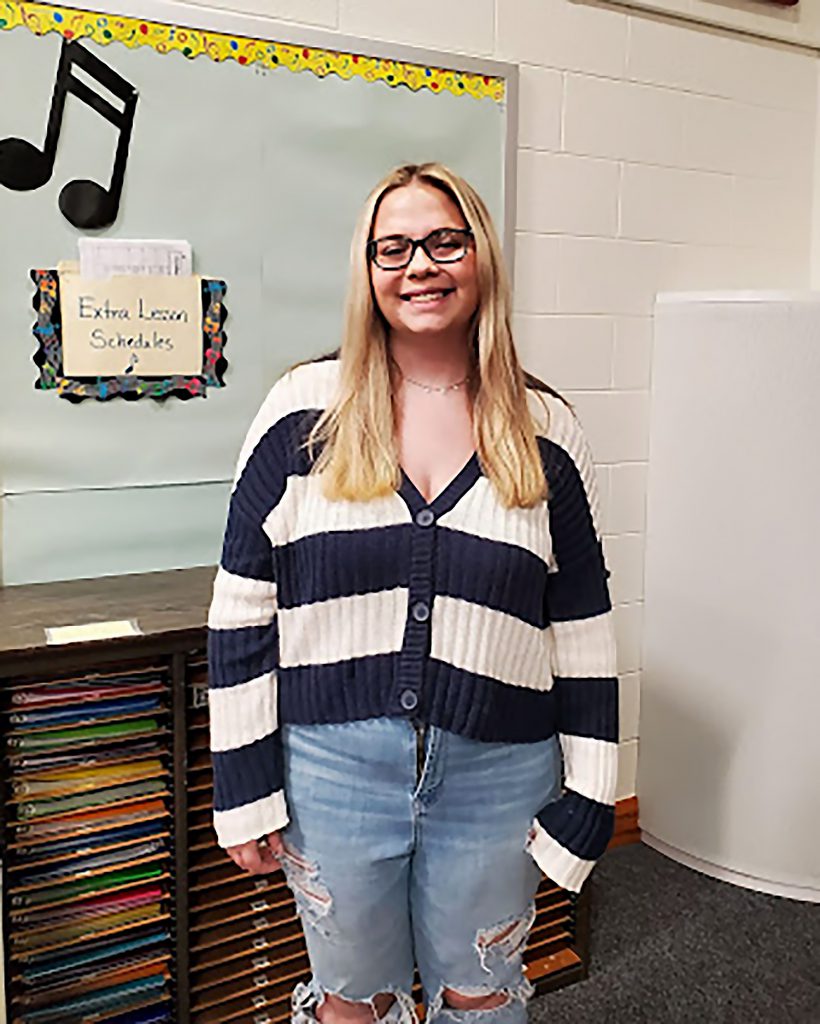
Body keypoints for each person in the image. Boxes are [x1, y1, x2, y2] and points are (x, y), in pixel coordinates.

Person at [207, 162, 618, 1024]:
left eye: (444, 242)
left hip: (501, 773)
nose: (419, 265)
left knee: (483, 994)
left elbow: (579, 624)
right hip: (331, 770)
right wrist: (243, 784)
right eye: (393, 248)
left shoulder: (548, 431)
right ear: (367, 271)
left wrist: (590, 791)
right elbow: (243, 602)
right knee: (353, 1000)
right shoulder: (301, 412)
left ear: (481, 259)